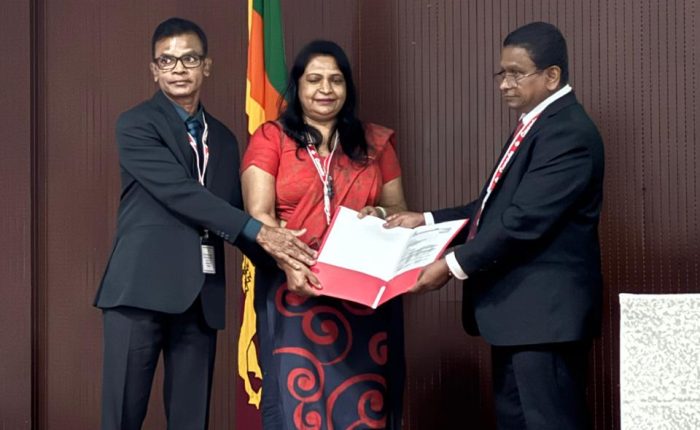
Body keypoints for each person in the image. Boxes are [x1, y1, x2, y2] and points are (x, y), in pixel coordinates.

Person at [94, 17, 316, 430]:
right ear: (154, 70)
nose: (178, 69)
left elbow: (233, 213)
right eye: (167, 60)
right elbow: (182, 193)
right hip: (138, 292)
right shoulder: (136, 124)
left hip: (200, 299)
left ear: (206, 66)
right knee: (121, 418)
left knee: (192, 420)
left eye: (189, 59)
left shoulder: (226, 140)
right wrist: (262, 232)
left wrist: (290, 259)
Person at [387, 22, 604, 429]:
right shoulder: (536, 124)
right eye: (502, 73)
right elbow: (493, 209)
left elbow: (523, 221)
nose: (504, 84)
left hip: (545, 322)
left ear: (551, 76)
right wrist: (426, 221)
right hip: (518, 320)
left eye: (516, 74)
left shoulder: (567, 134)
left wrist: (451, 266)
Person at [241, 40, 408, 429]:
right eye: (314, 79)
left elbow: (400, 211)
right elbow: (259, 215)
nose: (325, 89)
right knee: (299, 406)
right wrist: (293, 263)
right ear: (297, 85)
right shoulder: (271, 138)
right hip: (296, 287)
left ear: (347, 86)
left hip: (364, 293)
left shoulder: (374, 142)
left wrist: (379, 213)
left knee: (365, 407)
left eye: (336, 80)